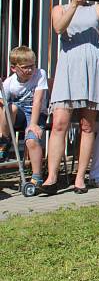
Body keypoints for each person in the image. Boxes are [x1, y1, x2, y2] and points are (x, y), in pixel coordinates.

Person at [40, 0, 99, 195]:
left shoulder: (98, 8)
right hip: (69, 68)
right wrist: (75, 4)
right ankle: (52, 177)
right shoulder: (60, 8)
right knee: (59, 124)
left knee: (87, 126)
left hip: (93, 68)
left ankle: (79, 179)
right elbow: (58, 28)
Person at [0, 46, 48, 188]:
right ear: (14, 68)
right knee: (10, 107)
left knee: (31, 141)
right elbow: (3, 101)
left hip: (37, 113)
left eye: (32, 66)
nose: (29, 70)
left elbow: (38, 101)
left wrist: (33, 125)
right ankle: (4, 140)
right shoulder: (10, 82)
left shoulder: (40, 74)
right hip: (18, 116)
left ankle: (37, 176)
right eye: (25, 67)